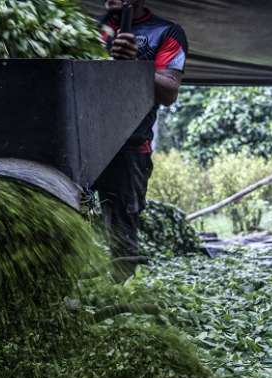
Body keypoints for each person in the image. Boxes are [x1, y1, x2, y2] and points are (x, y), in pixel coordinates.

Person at [96, 0, 188, 280]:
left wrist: (135, 63)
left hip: (130, 145)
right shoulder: (89, 29)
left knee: (122, 228)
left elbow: (169, 91)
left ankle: (119, 293)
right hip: (81, 139)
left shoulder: (166, 32)